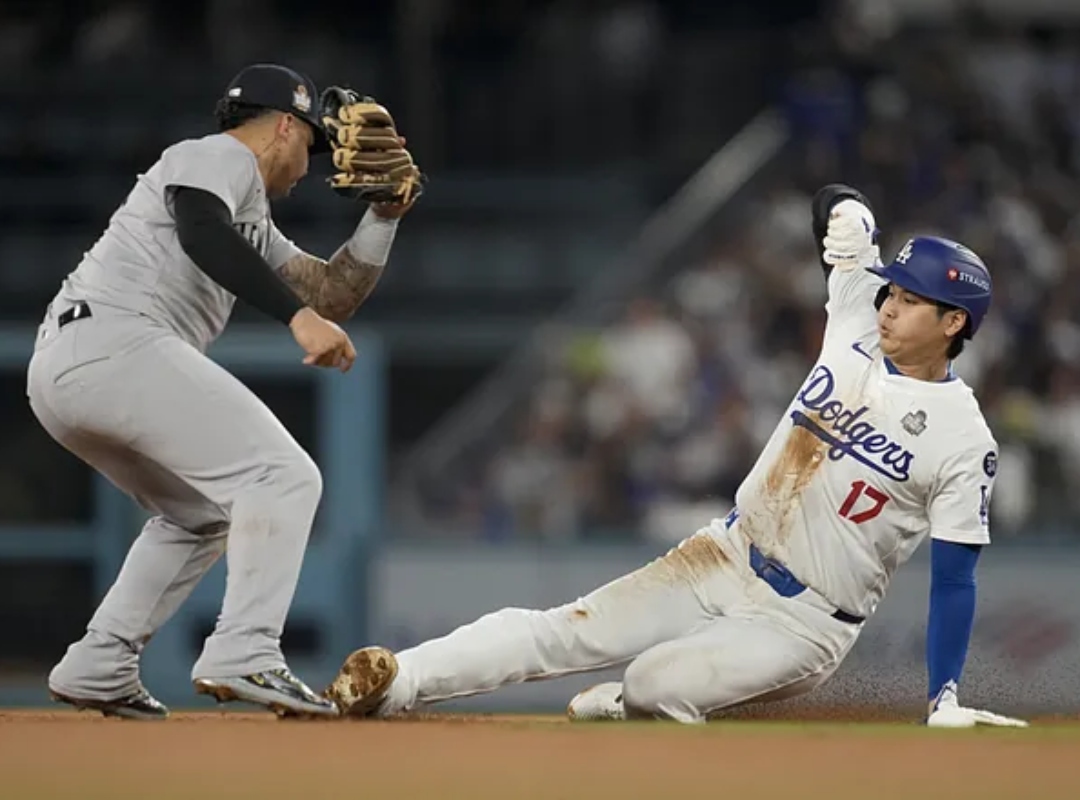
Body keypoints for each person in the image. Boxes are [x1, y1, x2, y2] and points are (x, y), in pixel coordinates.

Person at [324, 185, 1027, 728]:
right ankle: (397, 681)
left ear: (954, 321)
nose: (888, 308)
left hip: (803, 623)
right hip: (722, 553)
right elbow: (832, 206)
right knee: (565, 630)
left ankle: (631, 706)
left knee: (655, 684)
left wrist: (944, 696)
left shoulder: (963, 437)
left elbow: (956, 578)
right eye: (892, 292)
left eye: (910, 301)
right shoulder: (855, 318)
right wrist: (847, 211)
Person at [28, 63, 419, 719]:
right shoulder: (217, 157)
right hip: (115, 343)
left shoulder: (252, 218)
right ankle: (246, 650)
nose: (312, 165)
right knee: (283, 475)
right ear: (285, 128)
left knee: (200, 514)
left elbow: (331, 294)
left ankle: (99, 662)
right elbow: (201, 229)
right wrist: (298, 321)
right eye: (312, 146)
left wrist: (384, 216)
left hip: (74, 368)